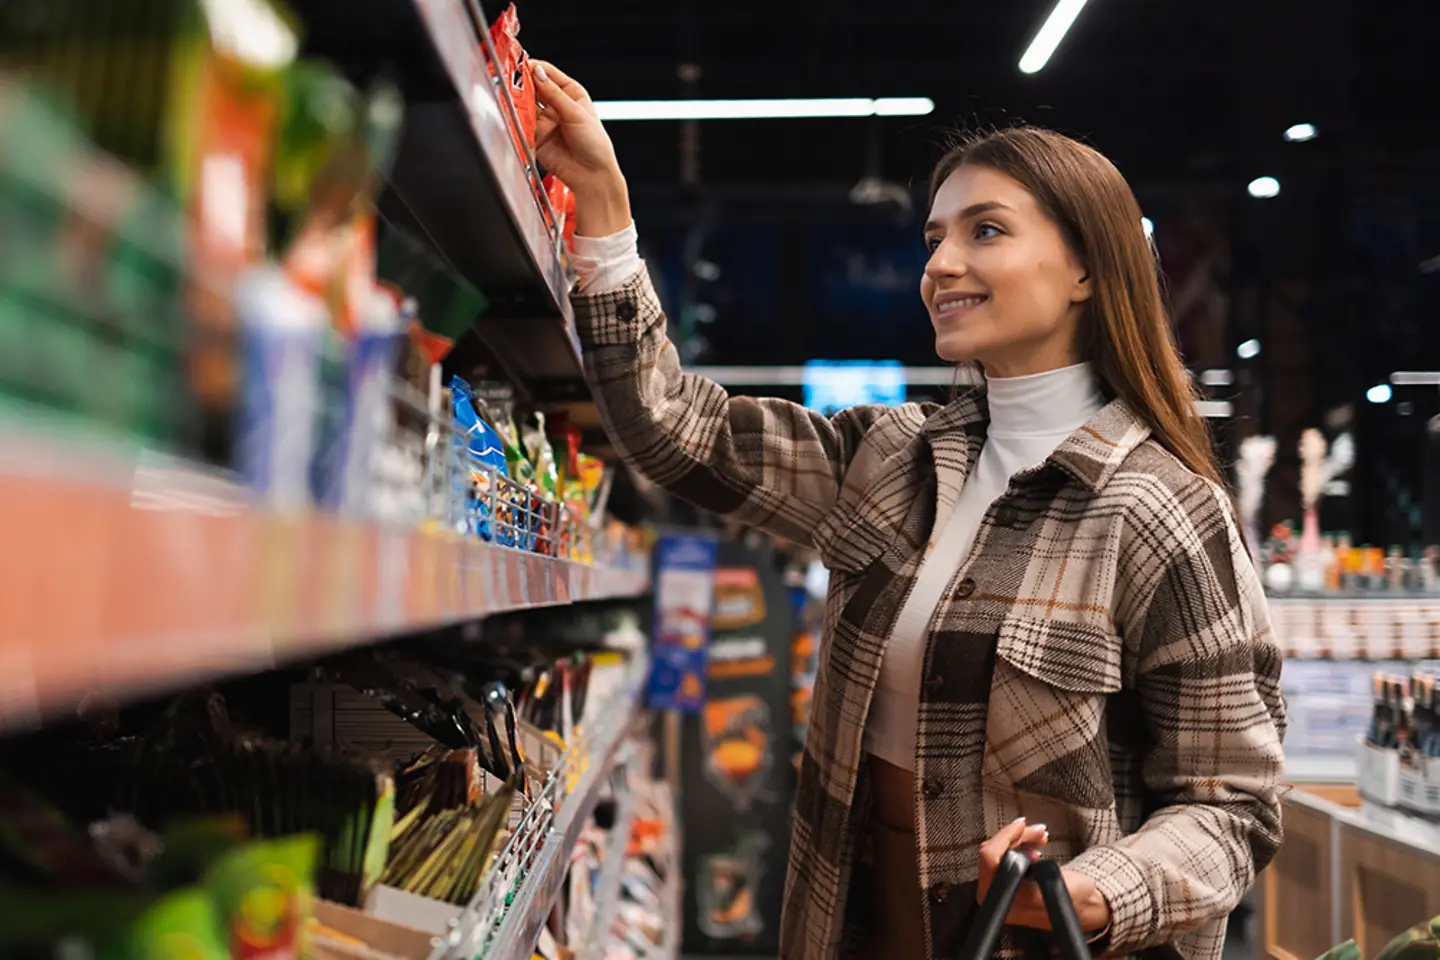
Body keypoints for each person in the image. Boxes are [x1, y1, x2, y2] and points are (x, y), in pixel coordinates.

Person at [531, 60, 1286, 960]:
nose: (942, 264)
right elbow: (671, 428)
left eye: (987, 230)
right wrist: (606, 209)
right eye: (934, 238)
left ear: (1086, 267)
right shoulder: (893, 458)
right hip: (852, 925)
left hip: (1022, 937)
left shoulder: (1159, 510)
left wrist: (1100, 888)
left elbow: (1232, 803)